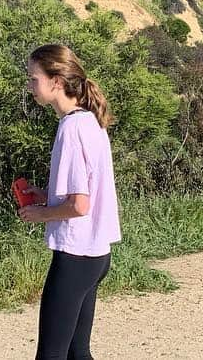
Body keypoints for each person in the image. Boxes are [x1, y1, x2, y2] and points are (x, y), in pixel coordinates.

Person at [18, 44, 121, 360]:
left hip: (76, 254)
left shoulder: (72, 128)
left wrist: (40, 213)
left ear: (56, 81)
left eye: (34, 78)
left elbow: (79, 205)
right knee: (78, 353)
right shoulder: (90, 121)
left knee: (51, 354)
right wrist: (45, 196)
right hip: (96, 254)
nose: (30, 85)